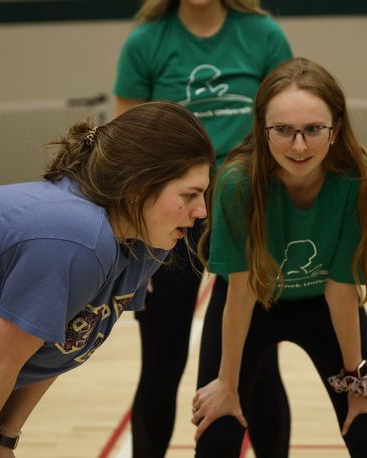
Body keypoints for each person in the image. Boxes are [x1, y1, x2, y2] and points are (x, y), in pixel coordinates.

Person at [0, 101, 213, 457]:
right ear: (137, 187)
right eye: (189, 195)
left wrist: (3, 439)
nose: (202, 211)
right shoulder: (75, 239)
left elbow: (61, 348)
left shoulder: (148, 239)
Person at [191, 57, 367, 458]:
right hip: (250, 304)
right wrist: (227, 388)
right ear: (263, 130)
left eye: (313, 130)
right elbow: (241, 291)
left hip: (324, 305)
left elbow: (342, 291)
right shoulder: (237, 183)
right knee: (217, 434)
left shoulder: (359, 180)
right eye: (283, 130)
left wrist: (358, 385)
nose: (298, 146)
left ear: (335, 129)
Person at [113, 0, 294, 456]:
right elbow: (128, 142)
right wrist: (134, 233)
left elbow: (287, 120)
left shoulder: (263, 34)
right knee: (162, 362)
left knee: (260, 362)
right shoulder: (145, 41)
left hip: (248, 207)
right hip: (172, 217)